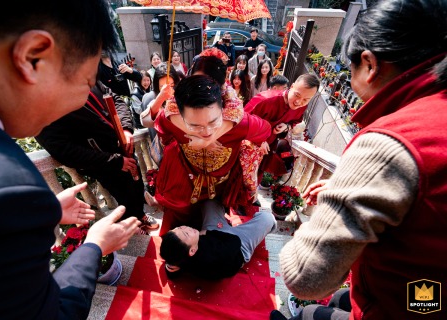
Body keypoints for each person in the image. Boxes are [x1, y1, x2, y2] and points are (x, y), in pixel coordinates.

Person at [0, 1, 142, 319]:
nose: (91, 88)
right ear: (35, 57)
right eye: (87, 82)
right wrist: (94, 247)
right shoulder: (3, 192)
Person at [275, 0, 447, 319]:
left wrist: (328, 212)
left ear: (368, 64)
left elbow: (305, 275)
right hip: (425, 296)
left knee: (307, 311)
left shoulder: (394, 140)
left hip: (402, 306)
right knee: (343, 298)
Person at [153, 74, 271, 235]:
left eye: (213, 122)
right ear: (179, 116)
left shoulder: (239, 124)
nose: (207, 133)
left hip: (220, 188)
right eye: (195, 125)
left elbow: (265, 129)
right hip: (186, 183)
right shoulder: (170, 120)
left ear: (223, 109)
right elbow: (161, 128)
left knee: (214, 226)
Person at [35, 80, 159, 231]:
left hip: (124, 146)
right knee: (123, 193)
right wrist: (115, 161)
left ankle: (139, 215)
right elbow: (64, 150)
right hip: (103, 161)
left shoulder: (84, 76)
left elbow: (115, 99)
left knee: (136, 182)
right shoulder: (42, 104)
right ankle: (134, 221)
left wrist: (125, 128)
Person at [160, 199, 276, 279]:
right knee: (267, 218)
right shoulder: (213, 256)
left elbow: (171, 266)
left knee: (210, 202)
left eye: (180, 227)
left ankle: (222, 212)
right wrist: (206, 233)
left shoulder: (177, 259)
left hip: (213, 235)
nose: (187, 228)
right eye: (186, 233)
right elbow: (234, 241)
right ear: (192, 251)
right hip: (238, 248)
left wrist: (201, 233)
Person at [244, 74, 319, 179]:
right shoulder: (265, 99)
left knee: (256, 179)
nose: (298, 102)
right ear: (291, 86)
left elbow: (295, 121)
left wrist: (286, 126)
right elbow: (242, 120)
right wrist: (259, 140)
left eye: (305, 99)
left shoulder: (301, 107)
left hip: (268, 149)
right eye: (297, 95)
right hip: (247, 148)